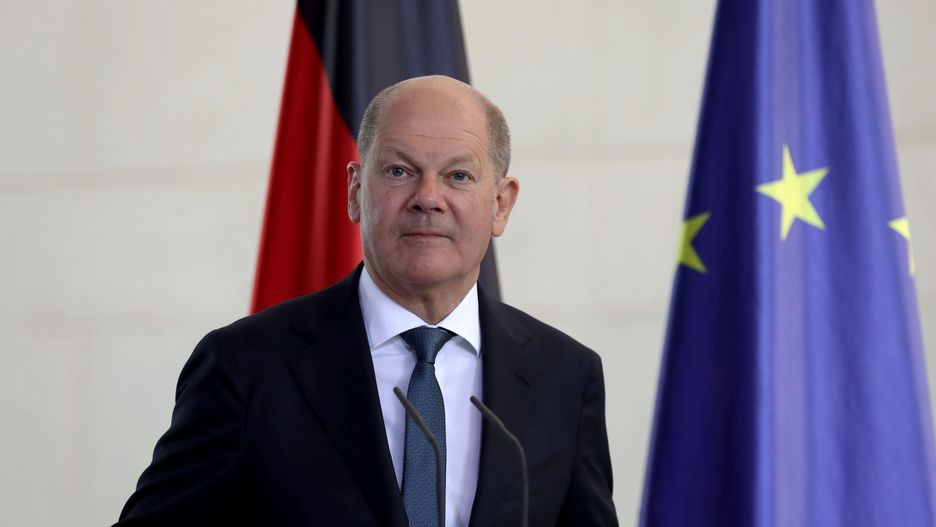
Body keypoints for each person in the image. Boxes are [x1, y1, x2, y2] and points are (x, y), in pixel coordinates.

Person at [116, 75, 617, 526]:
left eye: (458, 176)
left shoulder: (565, 376)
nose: (427, 197)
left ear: (500, 205)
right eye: (399, 171)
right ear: (356, 191)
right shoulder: (246, 367)